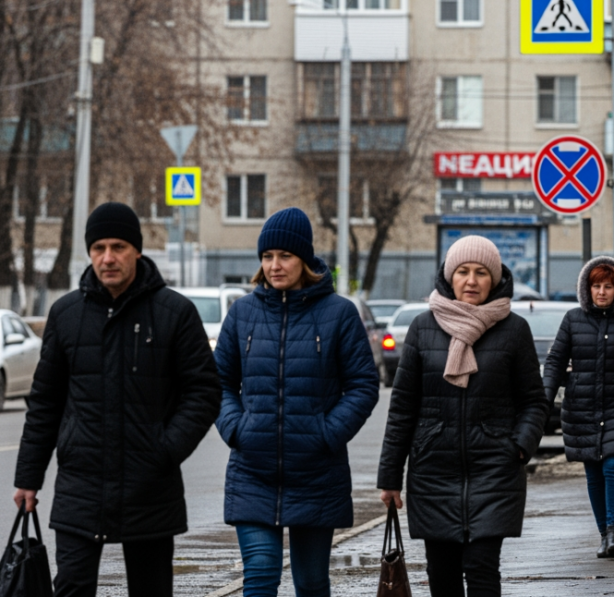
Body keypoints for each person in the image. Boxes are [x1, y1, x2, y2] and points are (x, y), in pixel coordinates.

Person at [13, 202, 221, 597]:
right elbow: (45, 401)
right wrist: (28, 477)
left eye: (119, 247)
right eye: (99, 248)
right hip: (80, 487)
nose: (108, 258)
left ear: (138, 250)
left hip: (149, 489)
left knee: (151, 590)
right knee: (71, 587)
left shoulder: (174, 313)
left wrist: (165, 448)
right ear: (90, 252)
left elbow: (204, 391)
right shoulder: (66, 314)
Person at [214, 207, 380, 596]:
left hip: (316, 473)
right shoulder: (242, 314)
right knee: (259, 577)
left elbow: (363, 385)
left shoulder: (339, 314)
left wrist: (327, 432)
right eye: (267, 256)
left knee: (311, 584)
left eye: (285, 256)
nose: (274, 265)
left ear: (304, 259)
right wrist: (236, 428)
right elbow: (218, 382)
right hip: (252, 471)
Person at [378, 235, 549, 597]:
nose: (471, 280)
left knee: (482, 567)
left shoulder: (514, 329)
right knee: (442, 575)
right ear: (448, 277)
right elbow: (403, 408)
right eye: (463, 271)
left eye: (481, 272)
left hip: (495, 471)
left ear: (496, 278)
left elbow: (534, 401)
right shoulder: (424, 328)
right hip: (432, 472)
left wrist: (519, 447)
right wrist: (389, 477)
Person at [543, 256, 614, 559]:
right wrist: (544, 400)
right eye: (596, 286)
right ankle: (604, 535)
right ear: (587, 289)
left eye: (608, 286)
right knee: (593, 472)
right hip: (582, 408)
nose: (602, 292)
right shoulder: (573, 319)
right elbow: (555, 362)